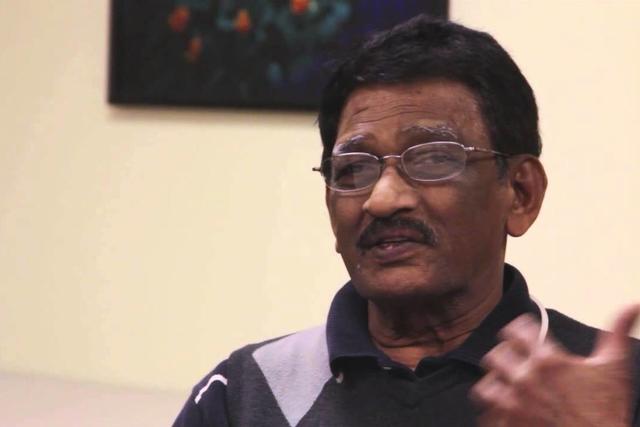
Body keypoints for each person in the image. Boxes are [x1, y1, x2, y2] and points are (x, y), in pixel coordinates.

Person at [173, 15, 640, 426]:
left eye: (433, 158)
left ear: (520, 193)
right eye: (354, 168)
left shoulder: (611, 390)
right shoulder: (245, 395)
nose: (382, 199)